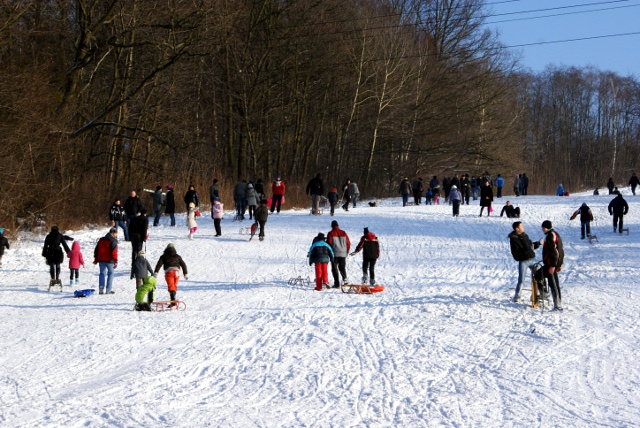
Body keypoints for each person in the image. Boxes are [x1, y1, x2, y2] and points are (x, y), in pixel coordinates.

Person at [508, 221, 540, 303]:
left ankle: (535, 295)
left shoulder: (525, 236)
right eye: (521, 226)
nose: (523, 227)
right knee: (521, 280)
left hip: (532, 260)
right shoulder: (514, 239)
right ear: (517, 229)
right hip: (523, 261)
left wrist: (538, 243)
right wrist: (527, 251)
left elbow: (531, 245)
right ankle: (517, 297)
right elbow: (516, 253)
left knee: (539, 277)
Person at [541, 220, 564, 311]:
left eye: (543, 228)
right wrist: (559, 264)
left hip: (551, 264)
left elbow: (555, 253)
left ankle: (558, 305)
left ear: (546, 227)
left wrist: (554, 265)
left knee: (553, 284)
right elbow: (561, 251)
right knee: (538, 275)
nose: (542, 229)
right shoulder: (555, 234)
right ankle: (544, 294)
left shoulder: (550, 236)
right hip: (552, 263)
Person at [93, 227, 118, 294]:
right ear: (113, 233)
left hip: (101, 260)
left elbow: (96, 250)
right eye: (116, 234)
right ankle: (108, 290)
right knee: (110, 274)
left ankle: (101, 289)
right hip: (110, 261)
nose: (116, 235)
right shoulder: (113, 241)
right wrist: (115, 261)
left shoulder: (101, 240)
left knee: (102, 274)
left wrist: (96, 259)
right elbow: (114, 252)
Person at [327, 220, 350, 288]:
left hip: (334, 254)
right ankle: (345, 280)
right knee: (342, 267)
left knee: (334, 268)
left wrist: (329, 252)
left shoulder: (331, 233)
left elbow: (329, 243)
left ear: (332, 226)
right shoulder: (343, 232)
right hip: (343, 253)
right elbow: (348, 242)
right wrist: (347, 251)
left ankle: (336, 283)